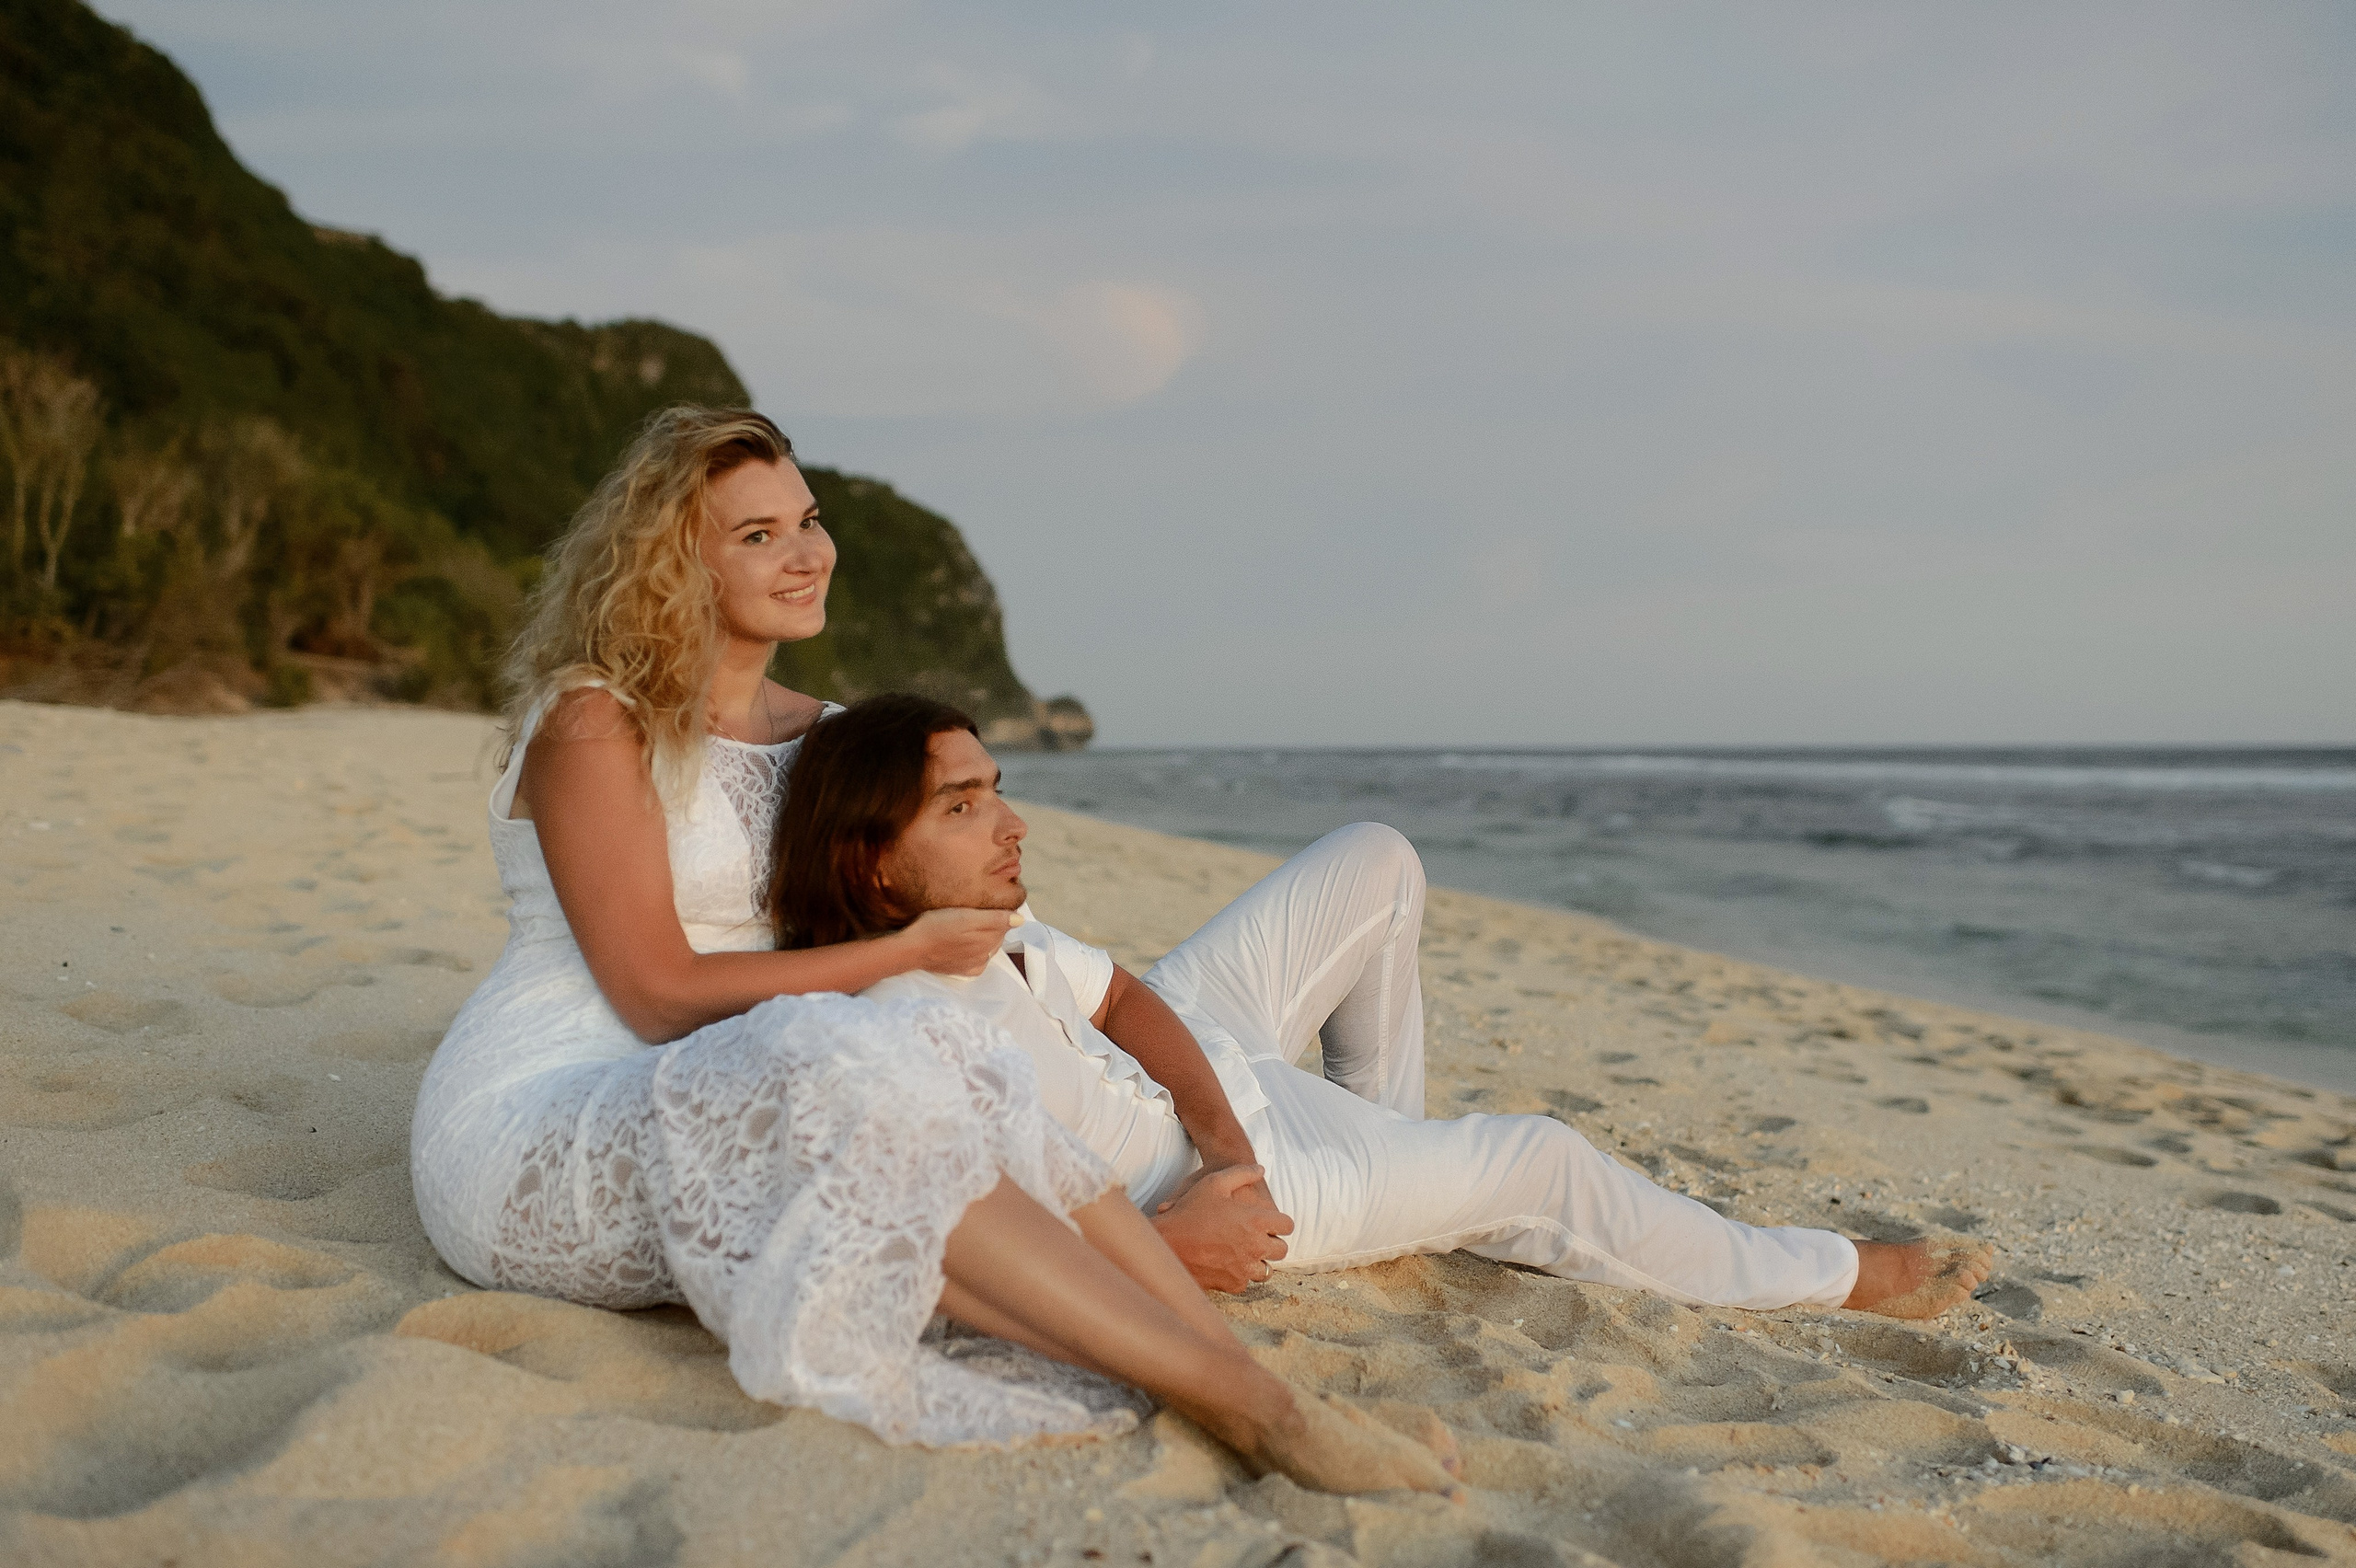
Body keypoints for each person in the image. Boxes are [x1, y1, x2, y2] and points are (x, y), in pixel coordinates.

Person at [409, 406, 1461, 1496]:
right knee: (862, 1036)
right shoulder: (600, 721)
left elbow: (934, 922)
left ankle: (1239, 1379)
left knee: (922, 1044)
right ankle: (1254, 1408)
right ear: (674, 561)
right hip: (553, 1107)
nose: (806, 552)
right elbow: (656, 991)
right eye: (756, 534)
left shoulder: (831, 736)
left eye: (807, 520)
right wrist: (904, 952)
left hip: (767, 1054)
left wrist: (942, 967)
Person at [775, 695, 1997, 1318]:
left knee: (1376, 857)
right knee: (1539, 1158)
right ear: (871, 861)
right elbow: (974, 1256)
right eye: (964, 808)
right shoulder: (897, 1038)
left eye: (998, 790)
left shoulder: (979, 924)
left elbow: (1126, 997)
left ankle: (1398, 1155)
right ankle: (1832, 1275)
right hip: (1221, 1192)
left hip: (1216, 1106)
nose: (1012, 824)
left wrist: (1227, 1138)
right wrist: (1184, 1232)